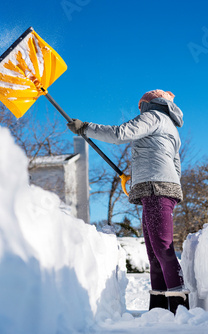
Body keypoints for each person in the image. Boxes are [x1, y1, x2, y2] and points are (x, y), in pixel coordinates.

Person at [67, 89, 189, 313]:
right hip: (158, 187)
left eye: (140, 106)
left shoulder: (153, 116)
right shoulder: (169, 125)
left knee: (162, 249)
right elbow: (175, 165)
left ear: (147, 104)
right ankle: (160, 310)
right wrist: (141, 179)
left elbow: (120, 134)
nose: (138, 110)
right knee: (154, 253)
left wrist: (85, 128)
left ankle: (180, 308)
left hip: (156, 187)